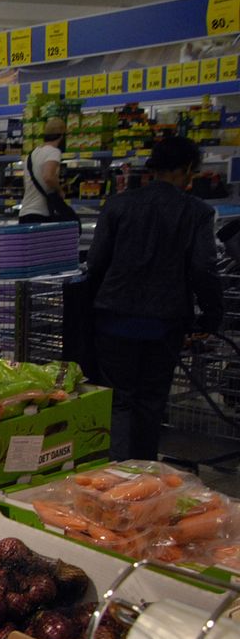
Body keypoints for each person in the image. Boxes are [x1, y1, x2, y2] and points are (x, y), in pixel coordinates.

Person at [86, 135, 224, 461]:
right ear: (188, 168)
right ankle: (142, 476)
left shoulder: (118, 205)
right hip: (164, 323)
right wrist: (211, 317)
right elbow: (203, 268)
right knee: (151, 401)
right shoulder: (197, 212)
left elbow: (95, 262)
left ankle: (114, 476)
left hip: (113, 318)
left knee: (118, 399)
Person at [19, 116, 77, 224]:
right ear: (62, 136)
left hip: (25, 212)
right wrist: (60, 190)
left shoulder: (32, 154)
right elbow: (48, 177)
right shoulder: (53, 152)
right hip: (40, 213)